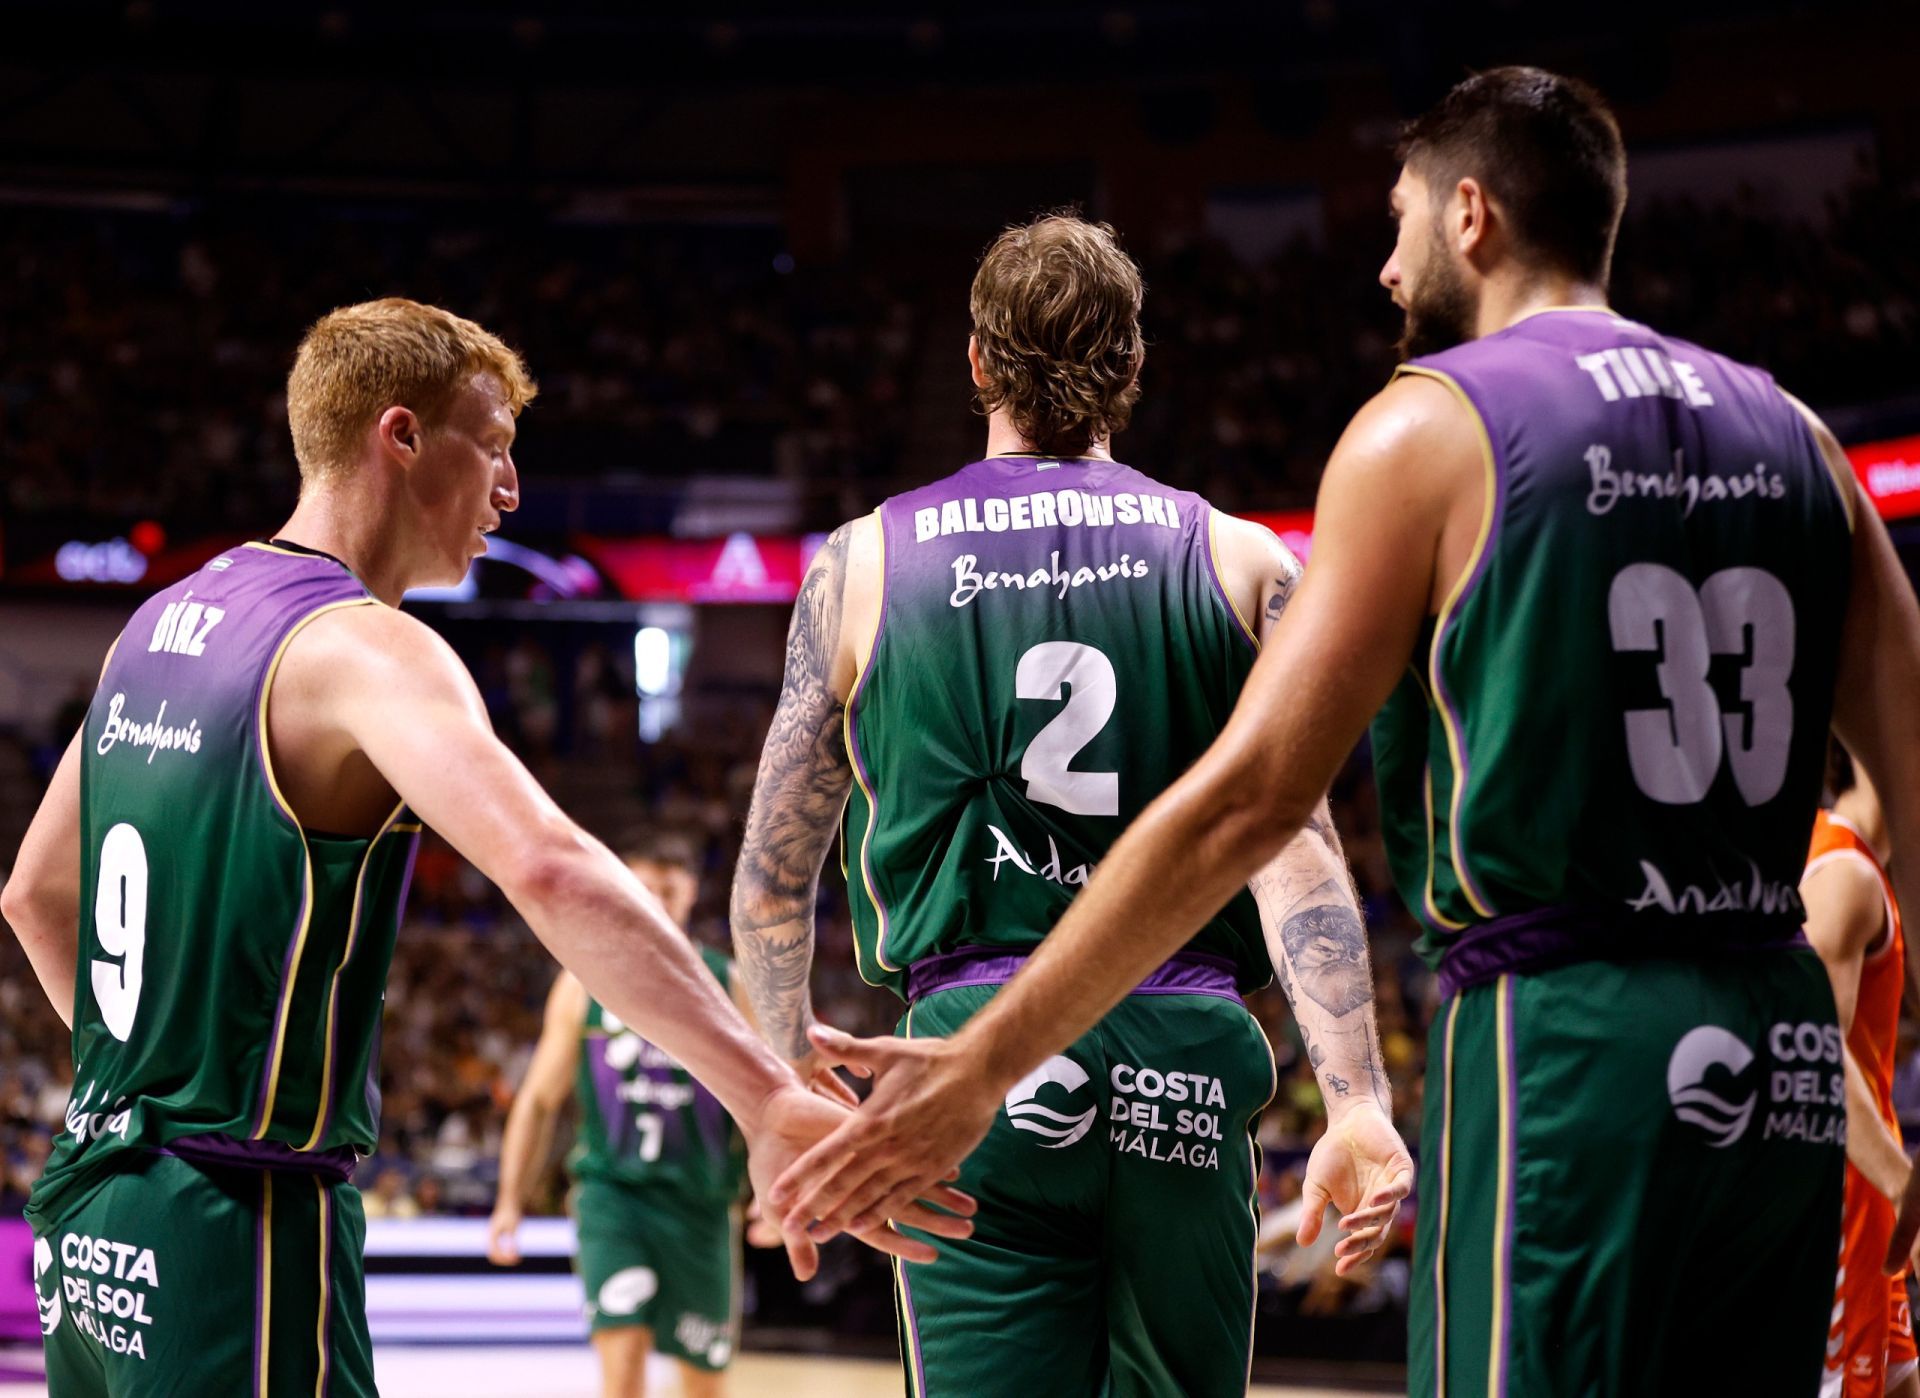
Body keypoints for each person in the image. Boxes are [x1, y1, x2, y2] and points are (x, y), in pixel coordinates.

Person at [773, 69, 1920, 1396]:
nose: (1382, 267)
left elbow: (1253, 798)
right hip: (1777, 1053)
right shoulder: (1805, 436)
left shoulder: (1434, 426)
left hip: (1572, 1029)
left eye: (1400, 220)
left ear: (1473, 215)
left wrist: (987, 1056)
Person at [0, 298, 969, 1398]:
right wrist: (763, 1096)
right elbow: (550, 867)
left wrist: (145, 1080)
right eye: (495, 446)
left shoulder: (154, 626)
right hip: (233, 1216)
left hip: (90, 1203)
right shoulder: (362, 648)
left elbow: (34, 894)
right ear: (400, 434)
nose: (511, 490)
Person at [728, 212, 1410, 1397]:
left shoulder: (860, 564)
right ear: (1134, 367)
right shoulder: (1244, 558)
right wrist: (1354, 1101)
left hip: (963, 1064)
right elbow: (1298, 851)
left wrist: (781, 1095)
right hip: (1183, 1052)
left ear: (980, 363)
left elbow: (773, 879)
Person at [488, 832, 767, 1398]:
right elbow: (540, 1100)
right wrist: (509, 1199)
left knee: (705, 1384)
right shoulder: (583, 983)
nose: (656, 902)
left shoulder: (728, 982)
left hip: (701, 1203)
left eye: (668, 889)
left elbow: (763, 1099)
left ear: (690, 893)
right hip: (613, 1197)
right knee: (622, 1374)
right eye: (643, 889)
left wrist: (774, 1192)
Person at [1804, 746, 1919, 1398]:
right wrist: (1902, 1185)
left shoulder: (1868, 868)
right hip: (1842, 1219)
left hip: (1876, 1224)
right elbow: (1815, 1051)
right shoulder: (1843, 876)